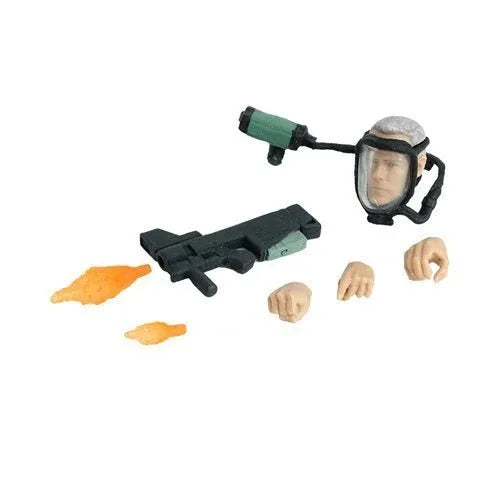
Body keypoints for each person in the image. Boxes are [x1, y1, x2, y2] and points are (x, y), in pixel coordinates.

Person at [267, 116, 449, 323]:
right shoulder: (324, 203)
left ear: (419, 165)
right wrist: (303, 286)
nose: (378, 175)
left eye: (391, 164)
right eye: (372, 161)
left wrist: (436, 241)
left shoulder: (422, 230)